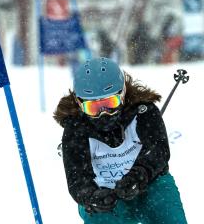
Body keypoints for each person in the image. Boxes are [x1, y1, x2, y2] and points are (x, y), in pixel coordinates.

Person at [53, 57, 187, 224]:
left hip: (150, 185)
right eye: (93, 108)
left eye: (110, 103)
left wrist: (138, 176)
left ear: (123, 94)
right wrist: (91, 196)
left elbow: (159, 152)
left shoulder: (144, 112)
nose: (103, 113)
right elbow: (77, 179)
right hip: (105, 196)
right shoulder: (75, 129)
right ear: (80, 104)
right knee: (100, 216)